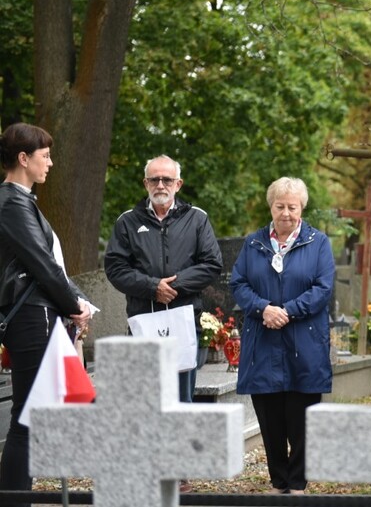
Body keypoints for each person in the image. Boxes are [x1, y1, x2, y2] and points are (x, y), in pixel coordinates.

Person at [0, 123, 93, 501]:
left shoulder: (22, 201)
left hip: (37, 315)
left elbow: (51, 265)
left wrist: (79, 302)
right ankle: (14, 498)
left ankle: (16, 496)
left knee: (31, 418)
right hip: (30, 317)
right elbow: (42, 264)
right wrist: (75, 307)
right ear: (24, 159)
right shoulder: (11, 203)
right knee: (28, 418)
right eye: (45, 156)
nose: (51, 163)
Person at [230, 177, 335, 495]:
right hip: (263, 342)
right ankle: (278, 483)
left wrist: (287, 311)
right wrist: (263, 308)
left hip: (305, 342)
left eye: (293, 206)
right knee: (270, 416)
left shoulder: (318, 242)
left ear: (302, 208)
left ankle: (298, 484)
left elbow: (323, 287)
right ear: (271, 207)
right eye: (280, 206)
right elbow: (239, 283)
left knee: (302, 419)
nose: (286, 213)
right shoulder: (253, 243)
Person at [104, 155, 223, 406]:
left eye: (167, 180)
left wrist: (172, 286)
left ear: (178, 184)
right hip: (143, 321)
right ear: (145, 183)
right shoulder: (127, 221)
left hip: (183, 322)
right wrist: (152, 287)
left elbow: (212, 264)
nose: (160, 185)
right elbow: (115, 268)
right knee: (144, 403)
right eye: (154, 179)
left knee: (180, 403)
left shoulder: (197, 218)